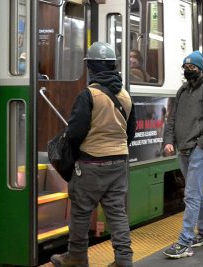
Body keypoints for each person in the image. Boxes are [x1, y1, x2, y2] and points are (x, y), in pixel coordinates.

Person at [50, 42, 136, 267]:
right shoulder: (125, 96)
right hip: (119, 162)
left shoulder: (89, 95)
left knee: (80, 211)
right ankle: (124, 260)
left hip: (91, 163)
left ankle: (77, 257)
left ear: (92, 67)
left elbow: (75, 132)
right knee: (117, 212)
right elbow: (131, 131)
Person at [162, 50, 203, 258]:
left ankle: (185, 242)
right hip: (182, 149)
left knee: (190, 194)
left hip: (198, 150)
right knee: (196, 192)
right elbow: (172, 119)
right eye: (186, 68)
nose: (189, 71)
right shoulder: (182, 91)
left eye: (193, 68)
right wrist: (169, 141)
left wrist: (202, 144)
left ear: (201, 69)